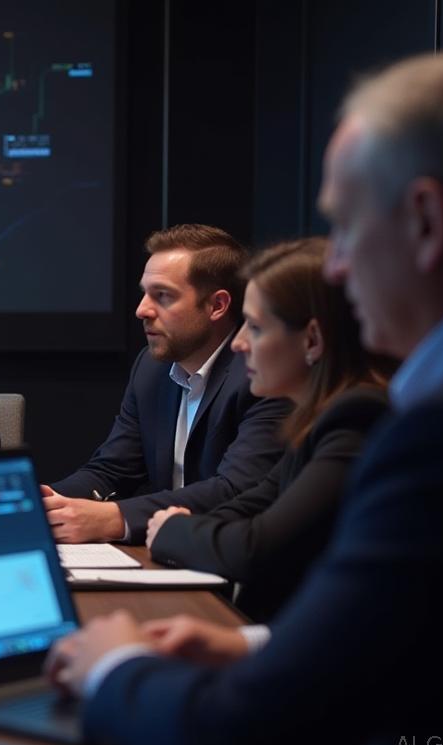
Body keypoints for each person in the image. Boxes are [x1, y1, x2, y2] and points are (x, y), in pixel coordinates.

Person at [46, 51, 443, 745]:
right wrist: (261, 645)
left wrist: (114, 666)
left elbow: (247, 732)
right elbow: (426, 640)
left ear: (426, 221)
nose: (337, 268)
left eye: (345, 225)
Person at [146, 237, 390, 621]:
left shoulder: (356, 419)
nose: (239, 343)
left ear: (312, 340)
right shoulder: (315, 418)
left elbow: (254, 549)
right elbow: (245, 508)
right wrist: (183, 526)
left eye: (256, 327)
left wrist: (173, 529)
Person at [45, 224, 290, 544]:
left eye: (163, 296)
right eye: (145, 293)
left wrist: (116, 518)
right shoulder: (151, 368)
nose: (141, 310)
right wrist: (45, 502)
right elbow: (112, 470)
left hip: (228, 556)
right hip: (168, 553)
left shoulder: (263, 374)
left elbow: (236, 489)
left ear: (217, 305)